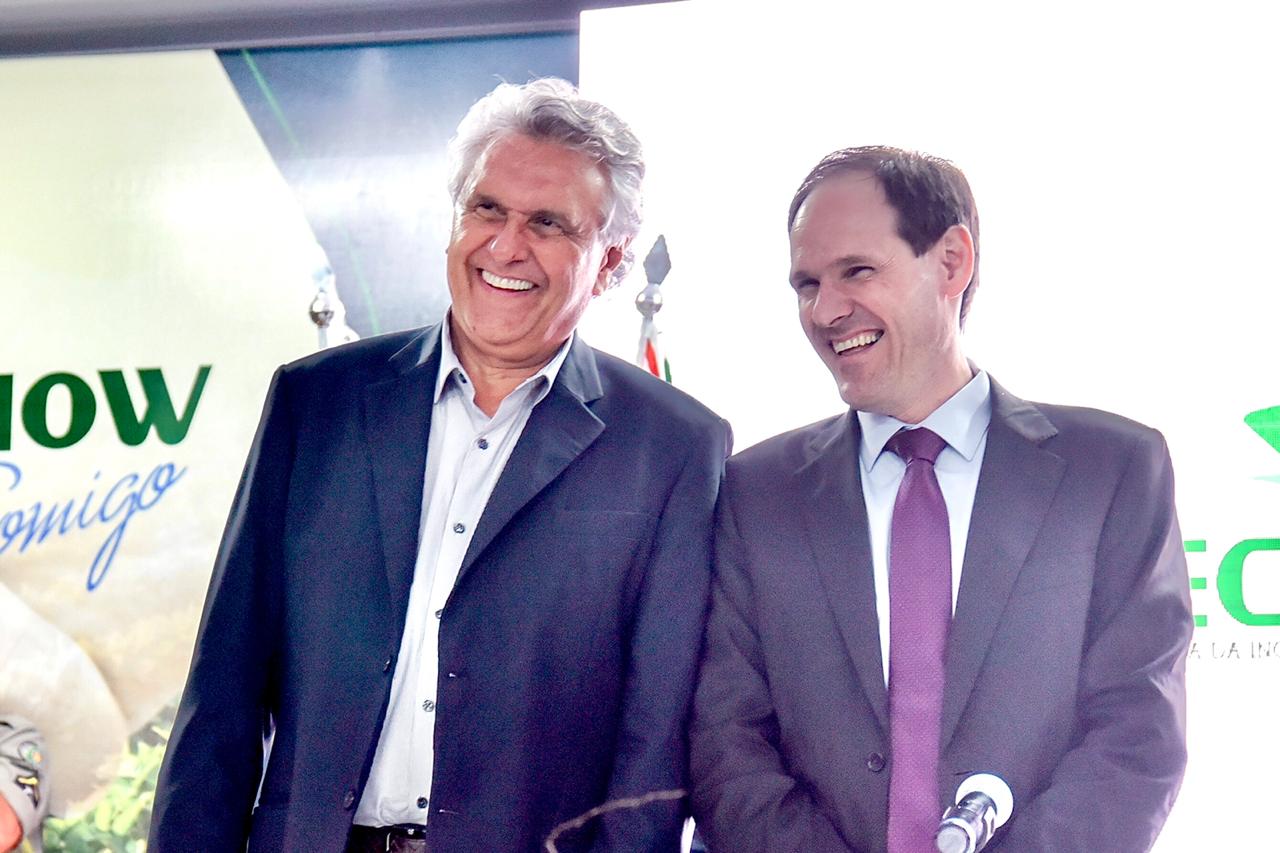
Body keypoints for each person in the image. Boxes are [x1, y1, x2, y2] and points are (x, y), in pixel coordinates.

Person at [150, 78, 730, 853]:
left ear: (610, 261)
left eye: (548, 223)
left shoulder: (673, 447)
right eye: (487, 208)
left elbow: (652, 747)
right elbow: (222, 691)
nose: (506, 246)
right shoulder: (315, 403)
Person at [689, 146, 1190, 852]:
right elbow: (726, 746)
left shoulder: (1110, 472)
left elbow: (1137, 736)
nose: (826, 309)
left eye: (857, 271)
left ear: (952, 262)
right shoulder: (754, 492)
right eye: (806, 284)